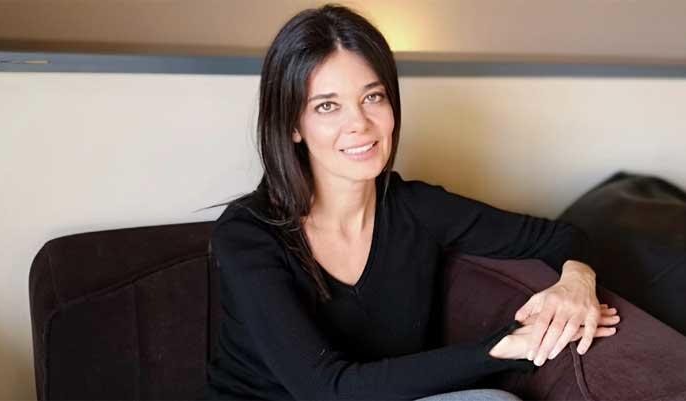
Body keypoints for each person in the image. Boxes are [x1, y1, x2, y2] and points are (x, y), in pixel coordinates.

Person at [202, 3, 620, 400]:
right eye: (327, 106)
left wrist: (577, 282)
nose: (359, 124)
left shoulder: (415, 208)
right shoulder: (248, 234)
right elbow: (326, 390)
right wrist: (499, 349)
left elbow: (563, 237)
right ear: (293, 125)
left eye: (373, 97)